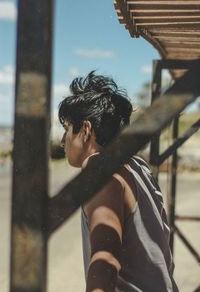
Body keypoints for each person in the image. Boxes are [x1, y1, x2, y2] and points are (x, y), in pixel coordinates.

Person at [59, 71, 179, 292]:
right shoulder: (136, 164)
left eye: (66, 129)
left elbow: (106, 258)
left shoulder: (98, 169)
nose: (61, 141)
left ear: (85, 130)